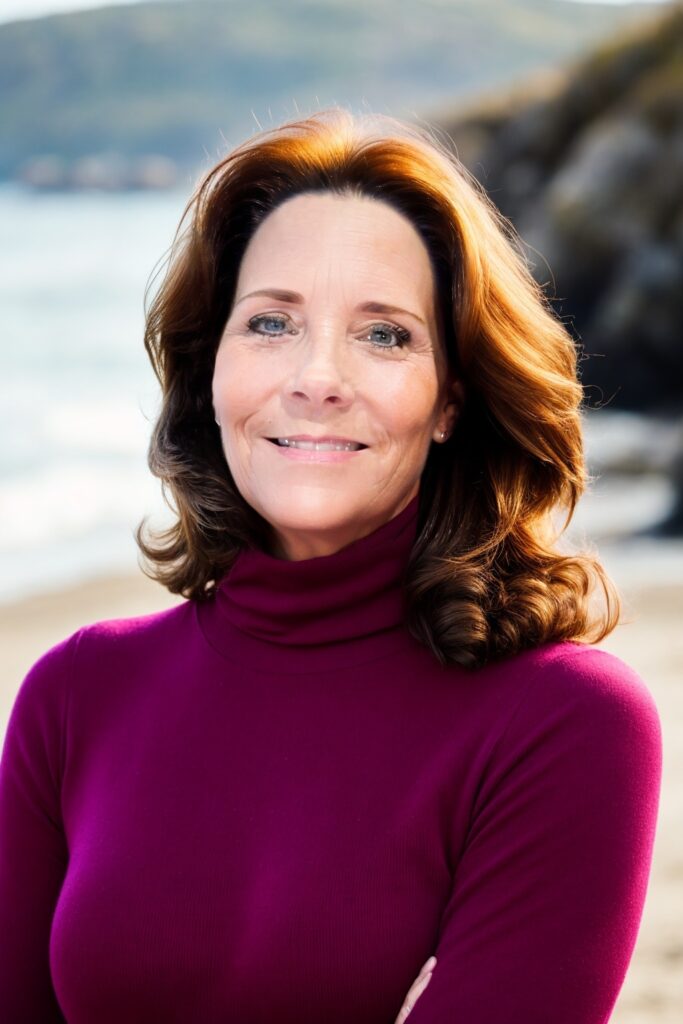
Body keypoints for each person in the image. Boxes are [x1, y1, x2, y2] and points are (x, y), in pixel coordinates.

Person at [0, 106, 662, 1024]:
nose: (317, 378)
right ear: (211, 369)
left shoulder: (562, 723)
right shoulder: (74, 695)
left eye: (384, 334)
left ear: (449, 401)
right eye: (271, 323)